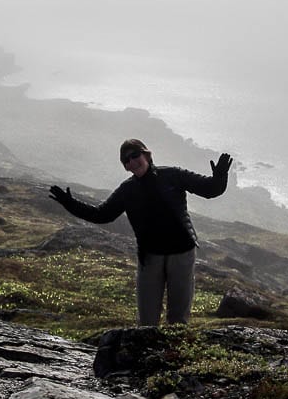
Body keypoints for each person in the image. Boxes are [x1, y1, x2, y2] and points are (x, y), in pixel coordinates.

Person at [49, 139, 232, 326]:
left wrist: (220, 176)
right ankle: (148, 353)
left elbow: (210, 190)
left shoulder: (172, 175)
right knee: (147, 320)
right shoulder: (127, 190)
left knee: (178, 320)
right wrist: (70, 204)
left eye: (135, 155)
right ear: (126, 167)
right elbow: (101, 214)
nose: (132, 162)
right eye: (126, 161)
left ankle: (172, 354)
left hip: (182, 253)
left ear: (146, 155)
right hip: (150, 257)